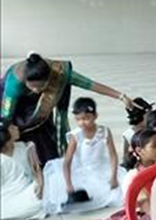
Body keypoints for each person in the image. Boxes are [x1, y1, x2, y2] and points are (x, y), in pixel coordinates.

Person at [1, 52, 132, 165]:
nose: (36, 90)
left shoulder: (59, 74)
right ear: (25, 81)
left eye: (40, 87)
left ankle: (45, 161)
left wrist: (121, 96)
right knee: (17, 131)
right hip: (14, 104)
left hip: (37, 107)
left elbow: (90, 84)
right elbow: (6, 115)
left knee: (43, 135)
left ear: (49, 79)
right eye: (32, 86)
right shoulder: (15, 83)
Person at [75, 128, 156, 220]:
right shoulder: (133, 176)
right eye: (154, 146)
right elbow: (142, 203)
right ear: (140, 151)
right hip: (146, 216)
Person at [42, 97, 122, 214]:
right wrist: (69, 185)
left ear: (95, 116)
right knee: (85, 193)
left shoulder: (104, 131)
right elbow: (67, 162)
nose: (82, 123)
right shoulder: (76, 135)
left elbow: (113, 156)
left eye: (86, 118)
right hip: (81, 169)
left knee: (118, 190)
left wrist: (113, 176)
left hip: (100, 167)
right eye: (78, 119)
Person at [0, 118, 44, 220]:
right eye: (12, 127)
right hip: (7, 193)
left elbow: (37, 170)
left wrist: (40, 184)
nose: (16, 128)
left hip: (27, 189)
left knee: (40, 198)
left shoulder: (26, 147)